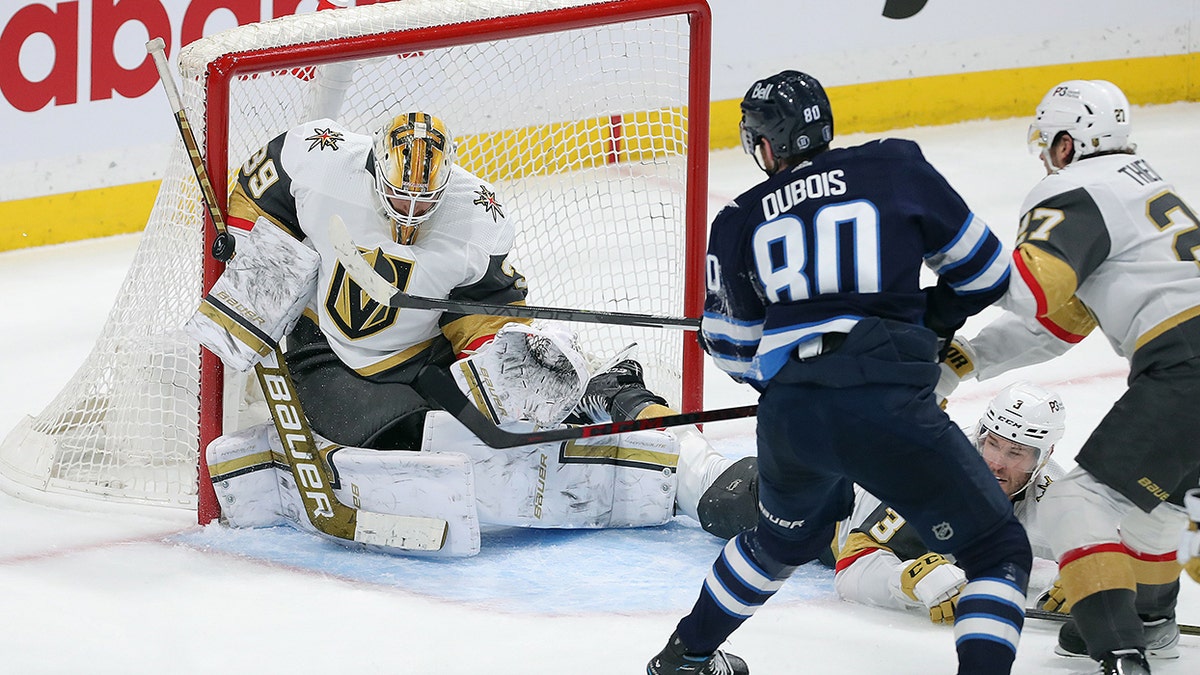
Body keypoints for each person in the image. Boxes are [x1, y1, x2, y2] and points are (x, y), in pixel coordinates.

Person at [186, 111, 758, 556]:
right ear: (374, 171)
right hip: (328, 356)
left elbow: (484, 316)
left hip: (424, 356)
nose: (409, 213)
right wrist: (246, 241)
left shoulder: (476, 215)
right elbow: (257, 188)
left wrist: (504, 377)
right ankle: (648, 450)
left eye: (423, 201)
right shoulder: (318, 158)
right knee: (422, 442)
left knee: (518, 405)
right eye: (398, 195)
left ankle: (672, 448)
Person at [645, 70, 1029, 675]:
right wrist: (926, 317)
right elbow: (985, 275)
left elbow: (738, 356)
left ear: (765, 147)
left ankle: (683, 658)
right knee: (997, 549)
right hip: (886, 401)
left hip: (793, 417)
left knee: (781, 543)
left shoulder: (739, 219)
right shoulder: (894, 166)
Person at [935, 79, 1200, 674]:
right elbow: (1060, 324)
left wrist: (932, 311)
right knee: (1154, 512)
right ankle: (1153, 623)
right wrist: (961, 360)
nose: (1045, 159)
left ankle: (1121, 651)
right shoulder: (1140, 184)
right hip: (1191, 359)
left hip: (1186, 363)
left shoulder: (1076, 186)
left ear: (1064, 142)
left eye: (1047, 145)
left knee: (1078, 499)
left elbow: (1035, 292)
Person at [831, 382, 1066, 624]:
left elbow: (1104, 550)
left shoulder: (1053, 493)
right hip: (834, 502)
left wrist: (1090, 575)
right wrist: (909, 580)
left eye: (1015, 453)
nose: (996, 463)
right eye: (992, 443)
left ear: (1043, 459)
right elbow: (851, 567)